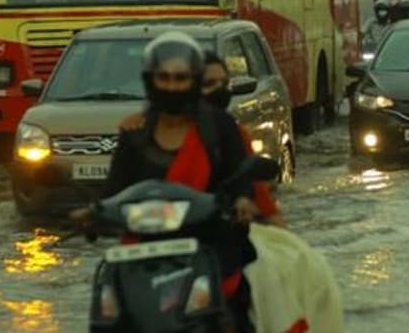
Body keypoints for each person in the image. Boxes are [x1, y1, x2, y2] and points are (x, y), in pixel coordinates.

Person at [86, 32, 259, 326]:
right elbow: (114, 190)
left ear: (193, 81)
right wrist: (92, 214)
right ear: (150, 80)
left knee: (231, 318)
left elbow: (241, 176)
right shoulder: (135, 132)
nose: (172, 86)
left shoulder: (219, 128)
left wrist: (242, 201)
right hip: (143, 256)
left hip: (209, 250)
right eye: (163, 77)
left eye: (181, 78)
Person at [120, 49, 285, 227]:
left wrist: (245, 203)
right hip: (150, 233)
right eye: (209, 83)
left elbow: (254, 192)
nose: (219, 90)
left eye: (224, 83)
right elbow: (114, 193)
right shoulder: (138, 130)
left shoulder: (227, 130)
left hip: (208, 234)